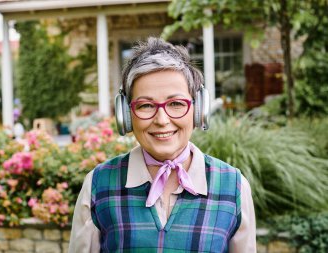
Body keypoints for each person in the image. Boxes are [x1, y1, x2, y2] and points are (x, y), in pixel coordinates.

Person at [68, 37, 256, 252]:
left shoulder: (234, 186)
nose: (162, 120)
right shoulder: (97, 184)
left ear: (198, 110)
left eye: (176, 103)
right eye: (146, 105)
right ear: (126, 115)